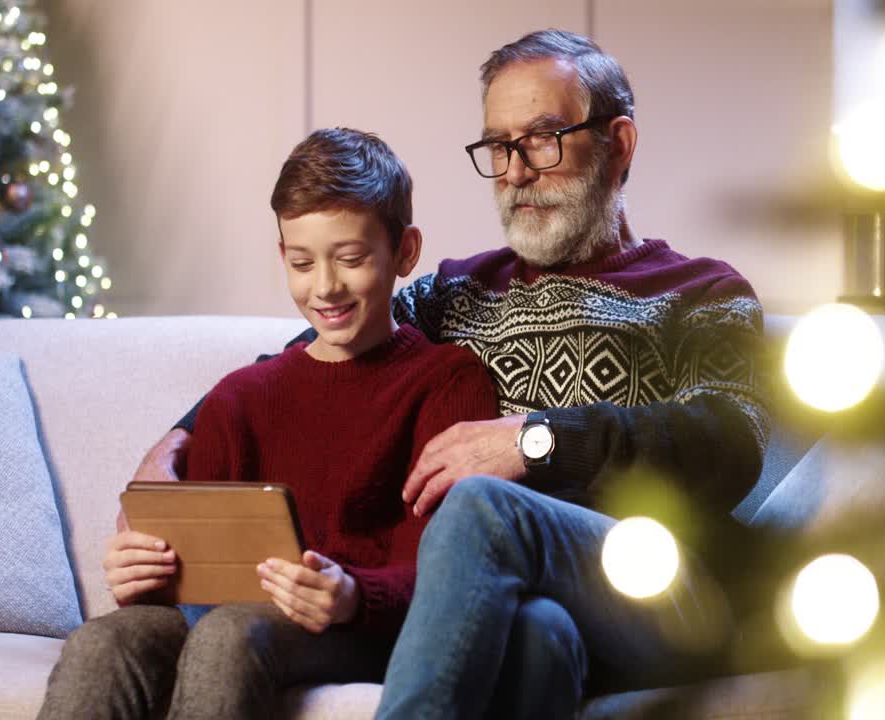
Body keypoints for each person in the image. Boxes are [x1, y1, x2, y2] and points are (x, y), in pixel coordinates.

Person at [141, 30, 770, 719]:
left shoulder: (702, 292)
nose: (515, 171)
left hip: (656, 586)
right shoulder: (457, 292)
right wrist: (177, 438)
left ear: (618, 145)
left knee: (481, 504)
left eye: (542, 138)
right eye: (498, 146)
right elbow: (312, 351)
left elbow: (730, 441)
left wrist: (535, 440)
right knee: (536, 638)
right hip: (526, 597)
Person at [36, 129, 499, 720]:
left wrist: (355, 595)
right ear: (283, 256)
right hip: (230, 617)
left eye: (351, 259)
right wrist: (144, 576)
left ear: (405, 252)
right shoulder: (239, 397)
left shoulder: (447, 382)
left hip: (360, 625)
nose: (325, 286)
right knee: (102, 641)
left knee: (232, 634)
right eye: (303, 263)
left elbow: (449, 565)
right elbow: (194, 576)